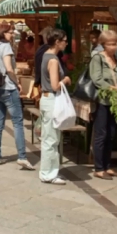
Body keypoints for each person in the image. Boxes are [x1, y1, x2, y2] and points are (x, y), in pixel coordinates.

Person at [0, 22, 34, 169]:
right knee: (17, 122)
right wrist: (17, 83)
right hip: (8, 88)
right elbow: (9, 68)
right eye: (10, 32)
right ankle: (21, 156)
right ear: (3, 33)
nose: (12, 34)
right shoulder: (5, 47)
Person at [89, 29, 117, 180]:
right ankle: (99, 168)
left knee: (111, 134)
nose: (114, 46)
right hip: (102, 100)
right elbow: (97, 80)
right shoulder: (97, 58)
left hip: (115, 101)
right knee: (101, 134)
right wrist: (115, 89)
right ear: (103, 44)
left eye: (115, 43)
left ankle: (108, 165)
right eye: (110, 44)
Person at [38, 29, 71, 185]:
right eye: (64, 40)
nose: (67, 42)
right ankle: (48, 173)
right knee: (51, 139)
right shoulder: (53, 60)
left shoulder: (46, 55)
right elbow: (55, 85)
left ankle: (50, 171)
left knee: (50, 137)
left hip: (46, 99)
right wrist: (66, 80)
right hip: (51, 99)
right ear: (57, 42)